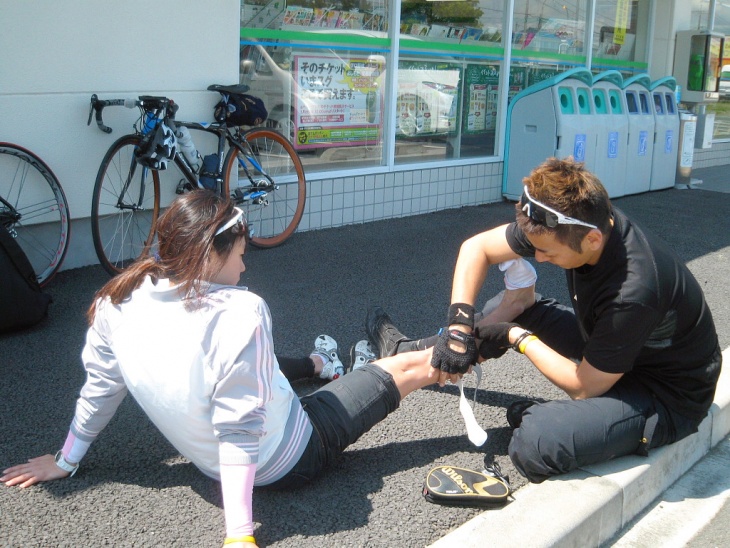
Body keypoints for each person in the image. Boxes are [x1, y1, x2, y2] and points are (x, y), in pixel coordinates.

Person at [1, 190, 439, 548]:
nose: (245, 266)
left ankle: (319, 364)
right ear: (212, 254)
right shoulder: (239, 313)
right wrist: (239, 535)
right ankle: (476, 342)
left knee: (255, 365)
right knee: (407, 367)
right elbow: (238, 429)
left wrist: (66, 460)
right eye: (241, 254)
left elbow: (101, 387)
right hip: (291, 455)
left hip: (210, 462)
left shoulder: (114, 302)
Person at [367, 156, 722, 483]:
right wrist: (459, 327)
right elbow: (477, 248)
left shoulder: (635, 290)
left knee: (537, 443)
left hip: (665, 392)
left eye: (547, 252)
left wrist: (516, 337)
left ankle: (563, 420)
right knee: (511, 308)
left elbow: (584, 386)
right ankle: (427, 356)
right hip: (617, 344)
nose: (537, 256)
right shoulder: (569, 222)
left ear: (593, 239)